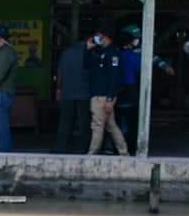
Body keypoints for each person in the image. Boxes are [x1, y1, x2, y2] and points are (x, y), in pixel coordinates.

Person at [116, 24, 175, 155]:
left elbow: (154, 58)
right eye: (135, 38)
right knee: (123, 121)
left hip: (130, 89)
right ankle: (123, 148)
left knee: (130, 121)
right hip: (123, 90)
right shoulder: (120, 53)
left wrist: (165, 66)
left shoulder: (138, 51)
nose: (138, 40)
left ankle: (127, 148)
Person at [86, 23, 128, 156]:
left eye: (99, 35)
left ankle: (92, 153)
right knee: (111, 126)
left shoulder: (112, 53)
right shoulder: (99, 52)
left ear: (106, 37)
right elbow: (86, 66)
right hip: (98, 94)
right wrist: (88, 49)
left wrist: (110, 99)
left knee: (97, 125)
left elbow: (114, 78)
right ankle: (124, 152)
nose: (97, 38)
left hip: (103, 96)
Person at [54, 34, 92, 154]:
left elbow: (59, 74)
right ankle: (81, 149)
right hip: (84, 93)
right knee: (83, 123)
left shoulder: (66, 53)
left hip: (67, 92)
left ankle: (61, 147)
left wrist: (59, 89)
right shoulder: (90, 53)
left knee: (64, 122)